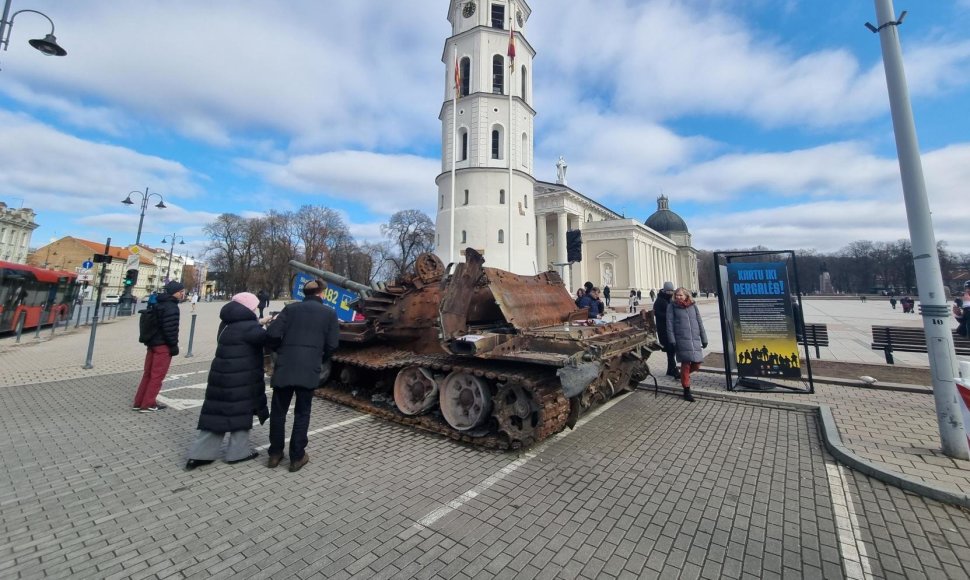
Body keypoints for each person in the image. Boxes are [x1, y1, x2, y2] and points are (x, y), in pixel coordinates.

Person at [185, 293, 272, 470]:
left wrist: (260, 322)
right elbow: (269, 341)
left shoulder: (227, 323)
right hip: (242, 378)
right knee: (241, 413)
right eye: (254, 306)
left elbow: (246, 330)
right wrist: (276, 325)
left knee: (215, 415)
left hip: (221, 376)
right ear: (249, 308)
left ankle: (199, 454)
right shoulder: (249, 328)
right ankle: (237, 452)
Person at [265, 279, 340, 472]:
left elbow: (272, 334)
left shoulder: (290, 310)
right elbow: (332, 345)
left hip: (285, 366)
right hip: (309, 368)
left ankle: (275, 454)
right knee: (302, 413)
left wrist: (281, 351)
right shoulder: (329, 314)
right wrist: (319, 358)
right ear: (321, 293)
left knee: (279, 412)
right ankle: (297, 457)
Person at [132, 281, 185, 413]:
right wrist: (173, 345)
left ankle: (139, 402)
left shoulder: (158, 303)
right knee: (157, 376)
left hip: (152, 343)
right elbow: (170, 329)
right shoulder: (171, 307)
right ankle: (148, 403)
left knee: (148, 374)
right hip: (163, 345)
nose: (183, 294)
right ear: (176, 292)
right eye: (181, 291)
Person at [666, 287, 708, 402]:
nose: (678, 297)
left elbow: (699, 322)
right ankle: (686, 390)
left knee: (697, 364)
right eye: (677, 295)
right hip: (681, 338)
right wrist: (672, 339)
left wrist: (704, 338)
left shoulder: (693, 306)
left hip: (694, 338)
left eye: (681, 295)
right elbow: (669, 324)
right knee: (686, 364)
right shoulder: (672, 307)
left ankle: (682, 375)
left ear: (686, 295)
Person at [653, 282, 678, 378]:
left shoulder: (669, 299)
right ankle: (674, 370)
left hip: (670, 329)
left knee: (671, 351)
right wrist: (669, 316)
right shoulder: (660, 300)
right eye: (669, 291)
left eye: (672, 291)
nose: (670, 293)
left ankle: (670, 370)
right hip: (664, 330)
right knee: (670, 350)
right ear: (665, 290)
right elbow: (657, 314)